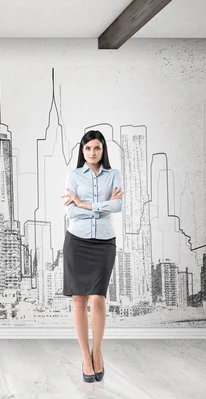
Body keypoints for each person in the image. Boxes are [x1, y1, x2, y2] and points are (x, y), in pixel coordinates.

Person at [61, 130, 124, 383]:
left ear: (103, 150)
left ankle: (97, 353)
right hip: (77, 242)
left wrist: (85, 205)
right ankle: (85, 357)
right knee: (79, 299)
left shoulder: (114, 175)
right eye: (87, 149)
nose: (92, 153)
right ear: (82, 151)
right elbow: (70, 212)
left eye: (96, 148)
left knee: (98, 299)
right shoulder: (74, 176)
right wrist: (101, 208)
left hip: (104, 244)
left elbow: (118, 206)